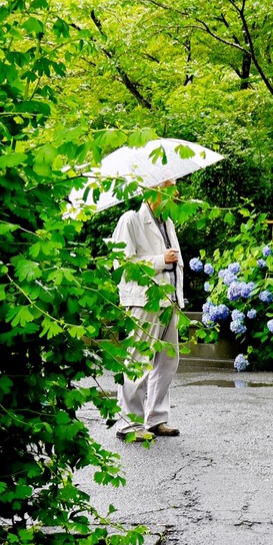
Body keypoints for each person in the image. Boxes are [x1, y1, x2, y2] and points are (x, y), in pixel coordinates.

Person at [112, 179, 186, 440]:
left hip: (168, 302)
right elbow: (122, 264)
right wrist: (159, 260)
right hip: (143, 301)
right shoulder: (130, 220)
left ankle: (155, 418)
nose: (176, 192)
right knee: (139, 361)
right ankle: (129, 424)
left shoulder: (167, 221)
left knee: (167, 362)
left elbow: (176, 264)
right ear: (155, 189)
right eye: (170, 185)